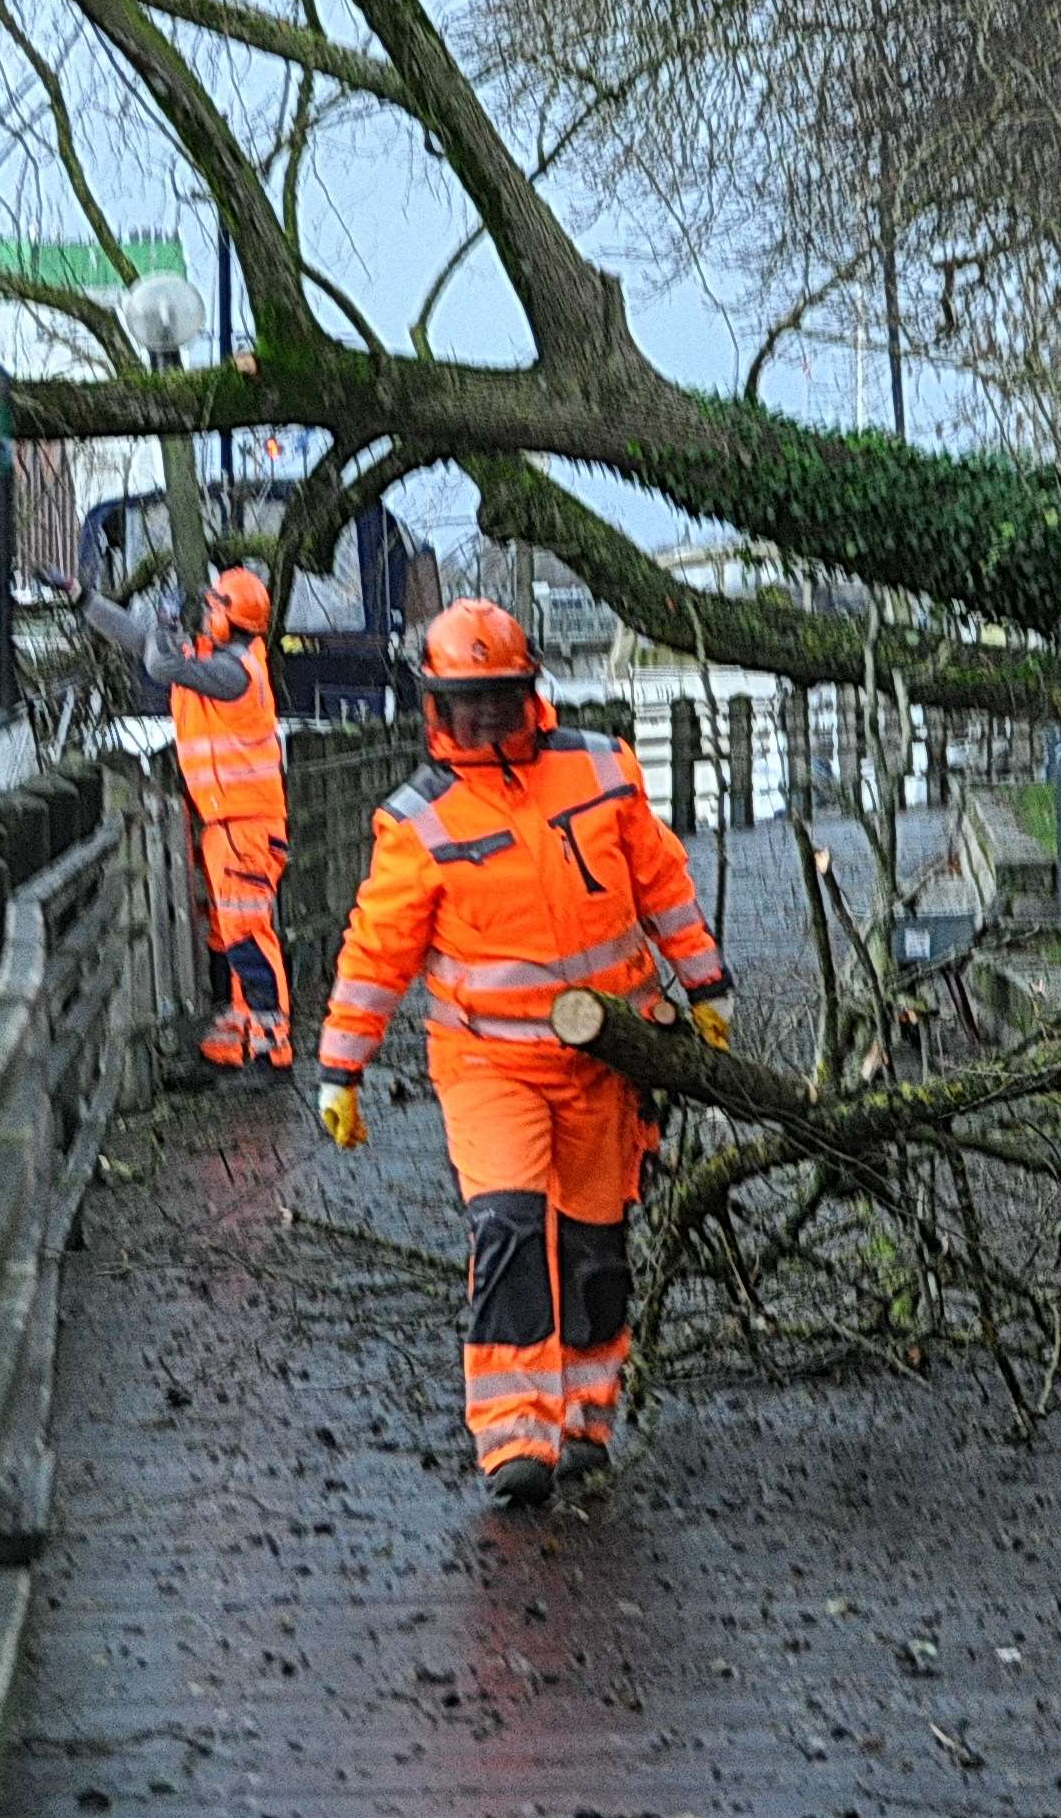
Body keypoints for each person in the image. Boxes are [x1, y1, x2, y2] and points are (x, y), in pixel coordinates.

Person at [313, 599, 734, 1508]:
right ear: (436, 709)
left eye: (500, 700)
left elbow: (661, 883)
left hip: (604, 1062)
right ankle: (513, 1438)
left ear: (529, 695)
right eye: (467, 705)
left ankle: (583, 1422)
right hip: (489, 1065)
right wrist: (341, 1068)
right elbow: (376, 953)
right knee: (508, 1227)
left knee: (594, 1246)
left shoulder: (600, 768)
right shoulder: (418, 820)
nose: (486, 721)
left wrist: (707, 988)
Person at [58, 559, 294, 1076]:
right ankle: (241, 1034)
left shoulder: (234, 672)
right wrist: (83, 597)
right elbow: (138, 638)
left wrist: (166, 623)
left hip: (246, 828)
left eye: (214, 607)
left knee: (247, 934)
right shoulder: (214, 659)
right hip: (229, 826)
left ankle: (272, 1047)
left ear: (233, 619)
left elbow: (160, 663)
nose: (206, 613)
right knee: (228, 933)